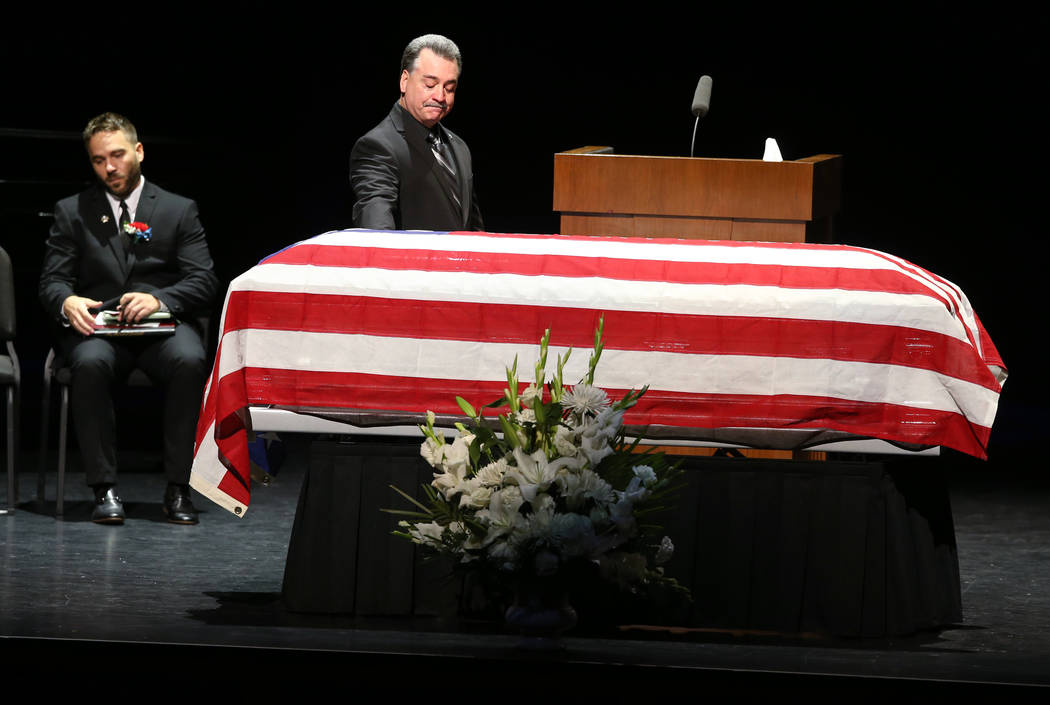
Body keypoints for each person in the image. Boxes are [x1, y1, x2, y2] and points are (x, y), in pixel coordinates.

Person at [39, 112, 219, 525]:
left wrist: (159, 298)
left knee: (190, 361)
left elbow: (204, 281)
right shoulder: (72, 211)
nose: (110, 167)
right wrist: (66, 301)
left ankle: (178, 488)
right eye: (99, 160)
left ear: (138, 151)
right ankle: (104, 490)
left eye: (117, 155)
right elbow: (52, 282)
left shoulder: (178, 209)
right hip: (101, 329)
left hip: (161, 329)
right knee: (87, 363)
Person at [350, 34, 484, 231]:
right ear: (404, 81)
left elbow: (474, 230)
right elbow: (377, 231)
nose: (440, 96)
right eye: (430, 85)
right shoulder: (377, 146)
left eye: (450, 88)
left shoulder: (459, 147)